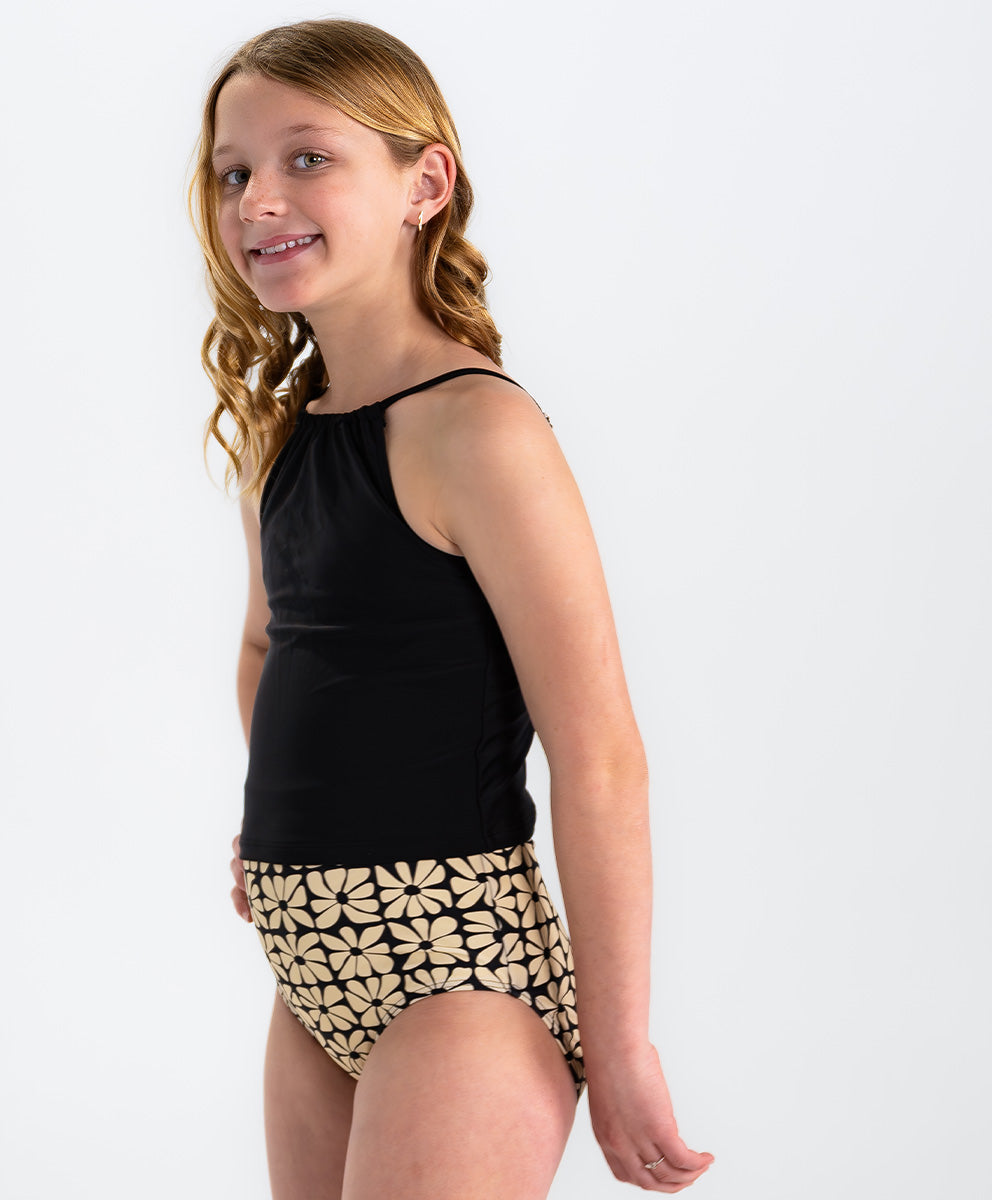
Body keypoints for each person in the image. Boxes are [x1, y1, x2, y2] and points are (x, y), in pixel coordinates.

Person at [189, 18, 714, 1199]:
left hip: (456, 972)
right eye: (233, 172)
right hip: (308, 973)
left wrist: (621, 1048)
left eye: (307, 158)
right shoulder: (286, 435)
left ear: (424, 183)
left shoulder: (479, 429)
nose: (258, 198)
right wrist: (278, 825)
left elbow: (600, 754)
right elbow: (270, 644)